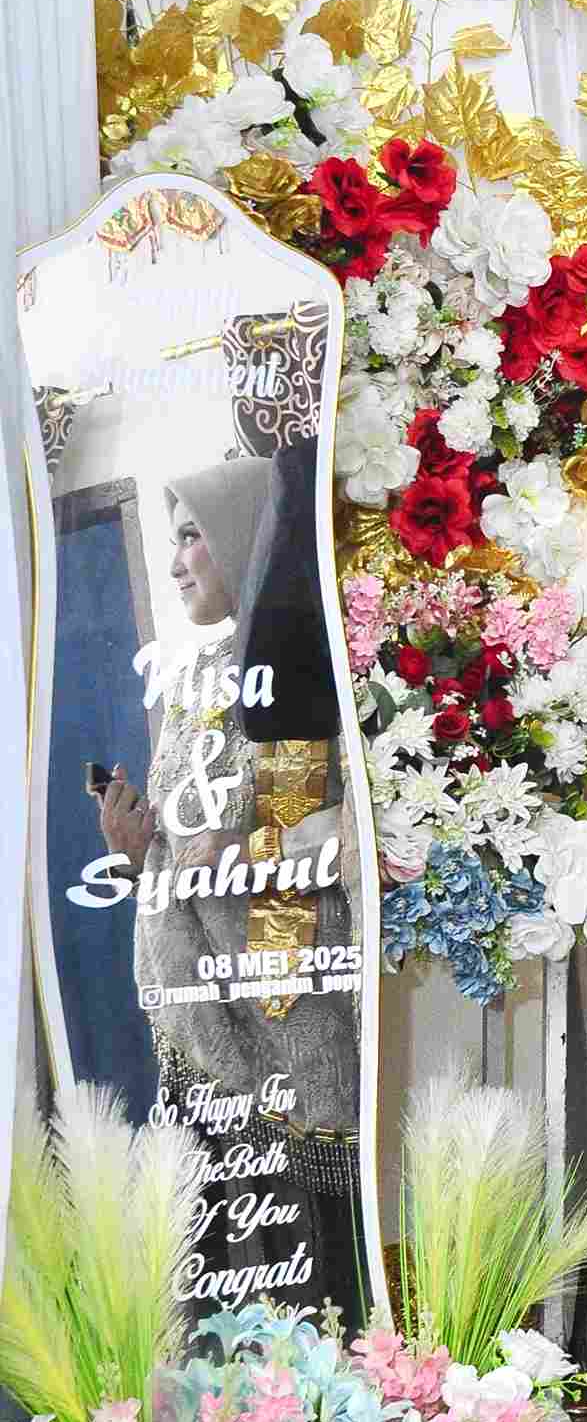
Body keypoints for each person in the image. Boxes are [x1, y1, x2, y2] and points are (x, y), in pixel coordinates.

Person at [94, 455, 367, 1324]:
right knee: (213, 1266)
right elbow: (182, 855)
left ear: (245, 539)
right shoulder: (189, 683)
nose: (177, 562)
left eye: (193, 536)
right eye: (172, 539)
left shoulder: (294, 667)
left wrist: (239, 846)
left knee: (311, 1266)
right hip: (196, 1014)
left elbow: (336, 830)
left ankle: (325, 1404)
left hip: (284, 1008)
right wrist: (136, 849)